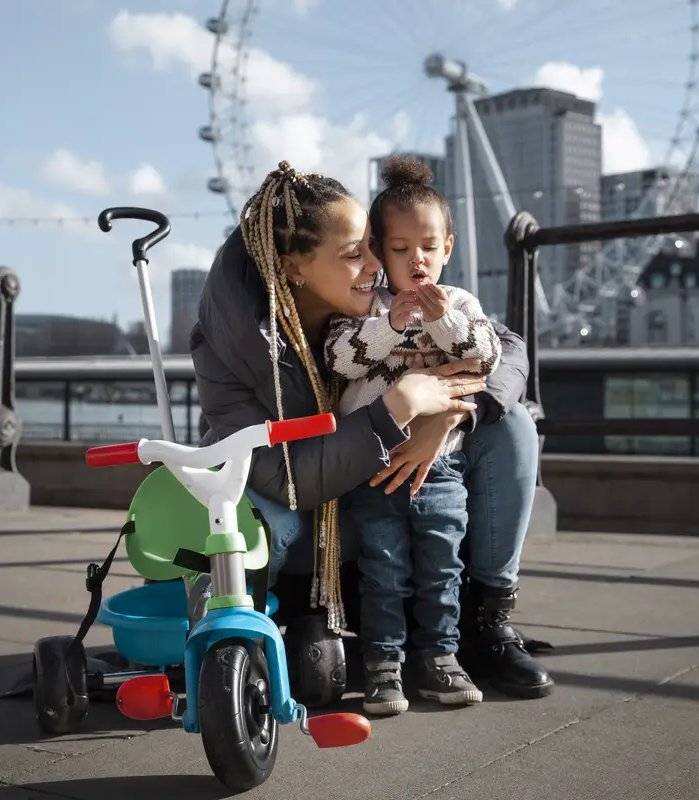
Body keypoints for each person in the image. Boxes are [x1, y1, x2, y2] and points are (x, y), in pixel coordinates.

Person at [190, 160, 553, 700]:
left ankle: (484, 622)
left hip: (403, 476)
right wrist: (400, 407)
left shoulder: (395, 293)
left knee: (513, 425)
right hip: (309, 503)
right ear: (295, 269)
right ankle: (284, 614)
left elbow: (508, 349)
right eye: (355, 254)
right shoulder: (238, 338)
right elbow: (282, 476)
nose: (378, 265)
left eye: (373, 248)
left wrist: (452, 413)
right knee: (266, 526)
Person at [323, 156, 498, 715]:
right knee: (384, 570)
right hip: (372, 467)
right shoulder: (365, 308)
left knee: (441, 566)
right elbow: (341, 360)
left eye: (427, 246)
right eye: (399, 249)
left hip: (442, 467)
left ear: (448, 247)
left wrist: (441, 320)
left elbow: (484, 357)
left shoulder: (462, 304)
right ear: (377, 250)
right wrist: (391, 325)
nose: (415, 259)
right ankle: (382, 666)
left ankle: (440, 658)